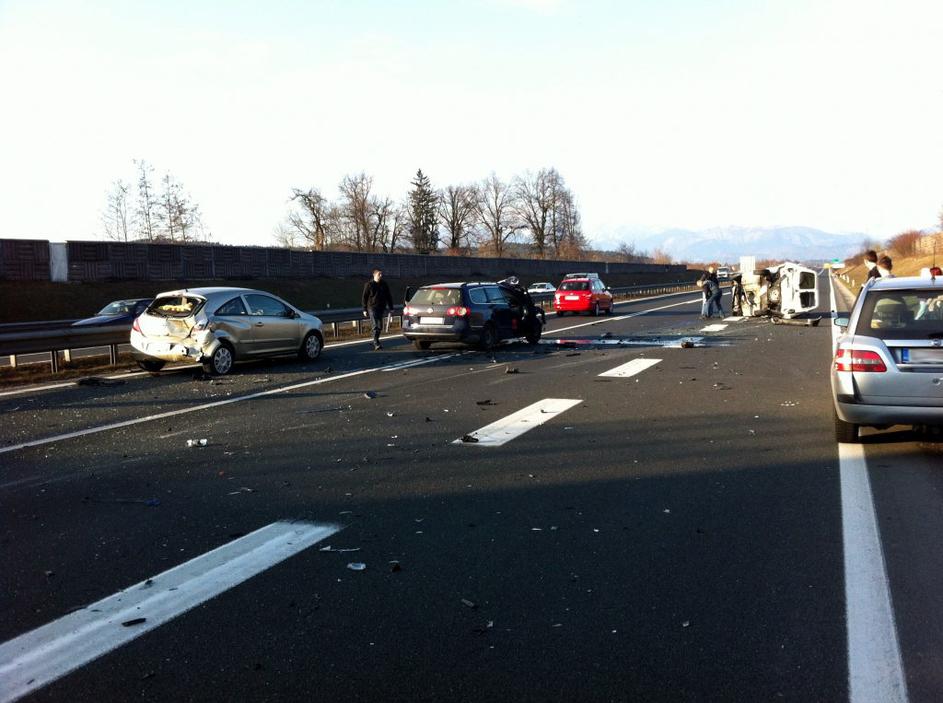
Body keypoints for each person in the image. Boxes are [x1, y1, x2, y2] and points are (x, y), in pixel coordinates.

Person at [362, 268, 393, 350]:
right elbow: (364, 297)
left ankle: (376, 339)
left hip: (381, 307)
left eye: (381, 274)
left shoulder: (384, 284)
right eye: (379, 274)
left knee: (380, 327)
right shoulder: (369, 284)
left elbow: (388, 296)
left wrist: (391, 307)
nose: (381, 275)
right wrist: (364, 309)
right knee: (375, 325)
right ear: (374, 275)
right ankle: (376, 343)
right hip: (372, 307)